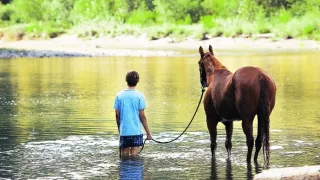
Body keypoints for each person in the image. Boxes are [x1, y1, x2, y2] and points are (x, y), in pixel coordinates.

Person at [114, 71, 152, 157]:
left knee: (124, 156)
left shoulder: (119, 95)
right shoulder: (140, 96)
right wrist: (148, 133)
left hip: (124, 132)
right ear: (137, 81)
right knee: (135, 156)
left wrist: (120, 129)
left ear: (126, 80)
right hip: (136, 131)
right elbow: (142, 117)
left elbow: (117, 116)